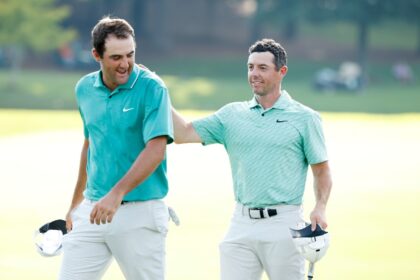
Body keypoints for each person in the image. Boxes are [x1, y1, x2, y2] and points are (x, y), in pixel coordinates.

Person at [172, 38, 332, 280]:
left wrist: (320, 207)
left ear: (282, 72)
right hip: (240, 224)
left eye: (262, 68)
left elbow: (321, 170)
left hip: (284, 224)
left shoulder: (305, 118)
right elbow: (182, 133)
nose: (254, 74)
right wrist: (158, 90)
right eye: (250, 67)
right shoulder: (231, 115)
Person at [59, 17, 174, 280]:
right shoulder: (84, 88)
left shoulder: (152, 87)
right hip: (92, 210)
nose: (125, 64)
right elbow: (91, 144)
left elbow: (156, 149)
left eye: (130, 55)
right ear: (96, 55)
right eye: (116, 57)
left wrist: (116, 193)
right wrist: (76, 205)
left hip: (140, 213)